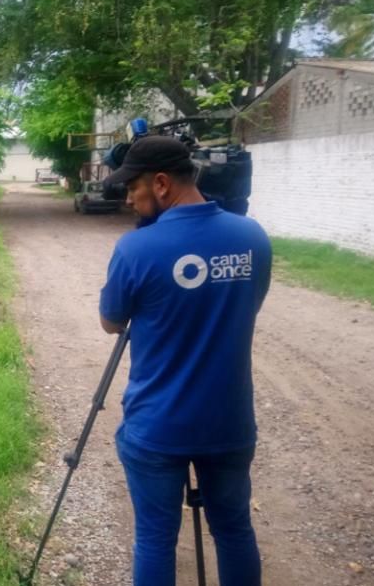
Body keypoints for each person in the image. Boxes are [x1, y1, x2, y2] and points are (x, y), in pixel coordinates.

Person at [98, 136, 272, 586]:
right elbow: (249, 305)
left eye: (132, 188)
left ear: (160, 184)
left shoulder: (135, 249)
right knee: (233, 529)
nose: (129, 199)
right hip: (229, 425)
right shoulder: (252, 237)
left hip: (158, 427)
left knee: (155, 539)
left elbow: (112, 322)